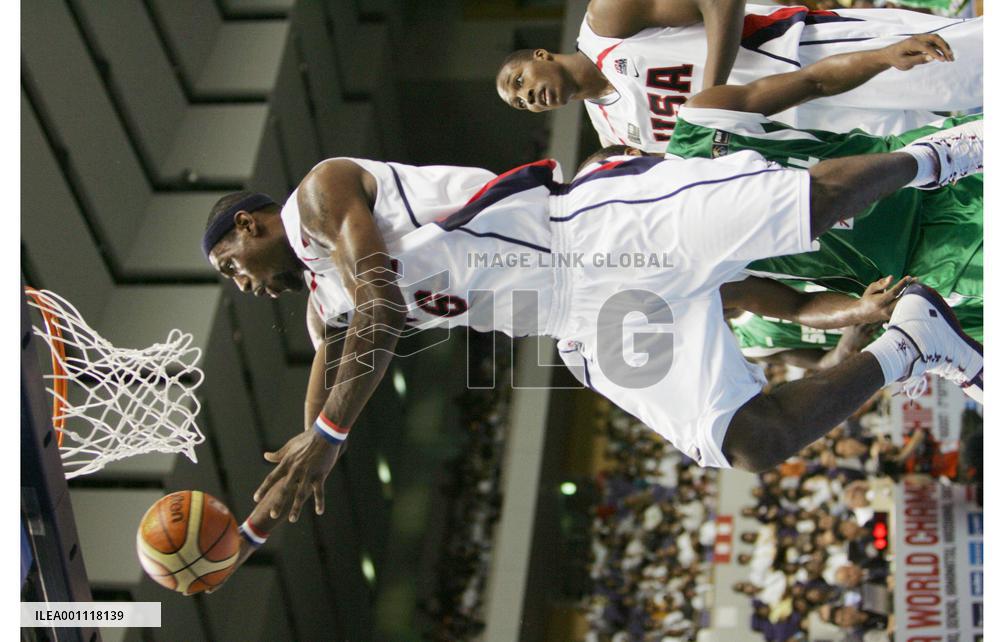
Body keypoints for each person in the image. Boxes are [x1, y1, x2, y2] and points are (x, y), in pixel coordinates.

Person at [201, 116, 981, 571]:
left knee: (812, 205)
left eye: (229, 267)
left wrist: (330, 437)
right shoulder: (318, 306)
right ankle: (913, 340)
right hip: (584, 325)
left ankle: (952, 154)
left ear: (249, 226)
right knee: (749, 441)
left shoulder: (320, 194)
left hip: (597, 232)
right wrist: (251, 529)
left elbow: (376, 308)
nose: (239, 283)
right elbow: (329, 364)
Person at [496, 2, 981, 147]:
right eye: (518, 105)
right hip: (819, 131)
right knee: (967, 149)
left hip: (807, 54)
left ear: (541, 55)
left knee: (975, 70)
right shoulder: (616, 138)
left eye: (519, 81)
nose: (526, 98)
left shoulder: (607, 24)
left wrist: (712, 93)